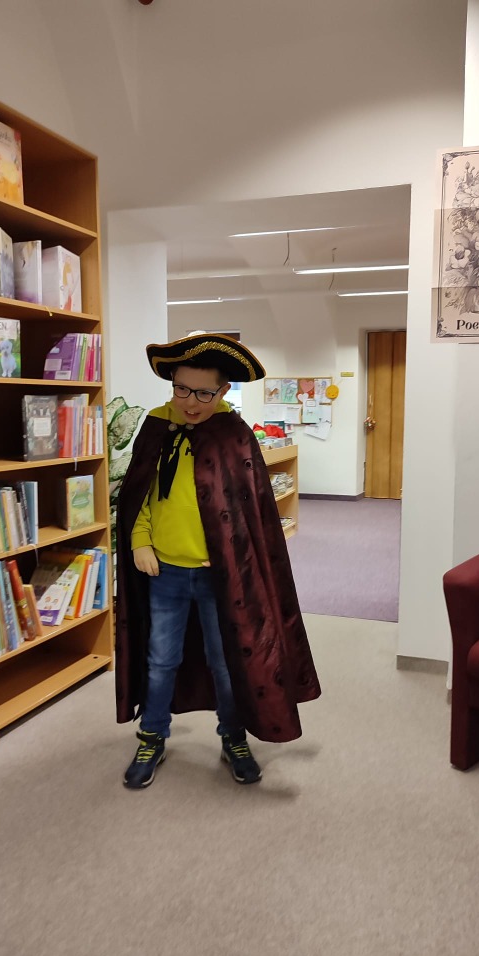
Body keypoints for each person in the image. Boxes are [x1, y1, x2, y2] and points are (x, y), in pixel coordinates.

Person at [115, 332, 321, 789]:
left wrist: (231, 554)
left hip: (221, 575)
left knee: (226, 660)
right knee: (160, 660)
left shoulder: (234, 434)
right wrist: (140, 541)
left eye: (204, 393)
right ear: (172, 382)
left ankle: (233, 736)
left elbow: (250, 512)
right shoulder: (156, 426)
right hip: (164, 571)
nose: (191, 402)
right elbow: (140, 496)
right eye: (182, 389)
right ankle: (152, 735)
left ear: (224, 390)